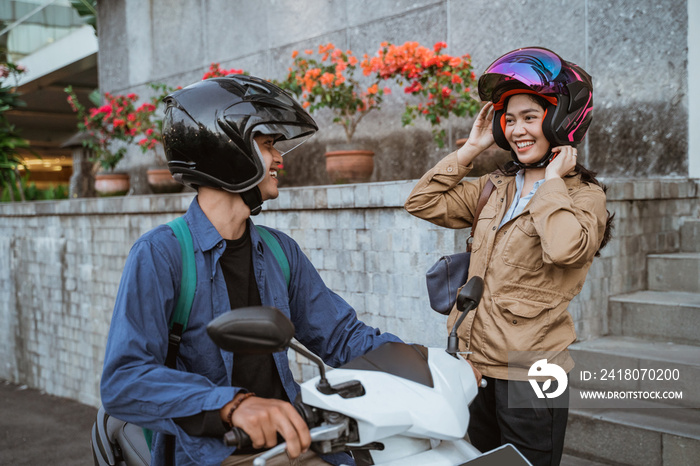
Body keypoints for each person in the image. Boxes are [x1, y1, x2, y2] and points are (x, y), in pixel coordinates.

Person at [100, 75, 401, 466]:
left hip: (294, 442)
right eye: (267, 144)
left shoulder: (280, 251)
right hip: (215, 453)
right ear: (226, 151)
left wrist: (418, 361)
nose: (279, 159)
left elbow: (341, 336)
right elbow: (124, 380)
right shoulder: (161, 254)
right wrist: (232, 405)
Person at [404, 47, 613, 466]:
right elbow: (420, 201)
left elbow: (563, 249)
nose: (517, 129)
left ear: (560, 120)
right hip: (475, 368)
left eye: (530, 117)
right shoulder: (495, 187)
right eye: (510, 118)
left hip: (533, 375)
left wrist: (551, 183)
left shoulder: (584, 197)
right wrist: (471, 150)